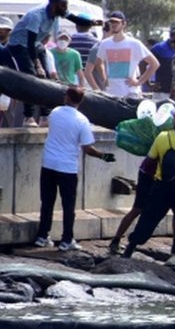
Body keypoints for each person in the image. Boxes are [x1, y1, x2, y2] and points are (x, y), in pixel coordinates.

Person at [33, 86, 115, 250]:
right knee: (68, 206)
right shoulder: (82, 120)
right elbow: (88, 148)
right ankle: (66, 240)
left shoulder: (55, 112)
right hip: (67, 168)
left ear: (67, 98)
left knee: (47, 202)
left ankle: (42, 236)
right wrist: (104, 156)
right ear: (80, 101)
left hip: (48, 163)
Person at [123, 109, 175, 266]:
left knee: (149, 218)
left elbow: (151, 158)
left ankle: (130, 248)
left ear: (174, 123)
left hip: (161, 186)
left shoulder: (162, 137)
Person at [7, 0, 71, 126]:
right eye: (64, 4)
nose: (66, 7)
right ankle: (28, 116)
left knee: (46, 78)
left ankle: (44, 115)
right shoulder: (36, 15)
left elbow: (74, 19)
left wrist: (93, 22)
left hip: (36, 44)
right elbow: (29, 43)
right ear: (54, 5)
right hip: (19, 44)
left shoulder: (57, 15)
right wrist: (38, 65)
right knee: (31, 76)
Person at [92, 11, 160, 98]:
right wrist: (104, 79)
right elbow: (98, 62)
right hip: (111, 92)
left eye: (116, 22)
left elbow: (154, 64)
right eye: (111, 22)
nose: (113, 24)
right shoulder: (104, 44)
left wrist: (139, 82)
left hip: (130, 93)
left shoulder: (134, 43)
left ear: (124, 24)